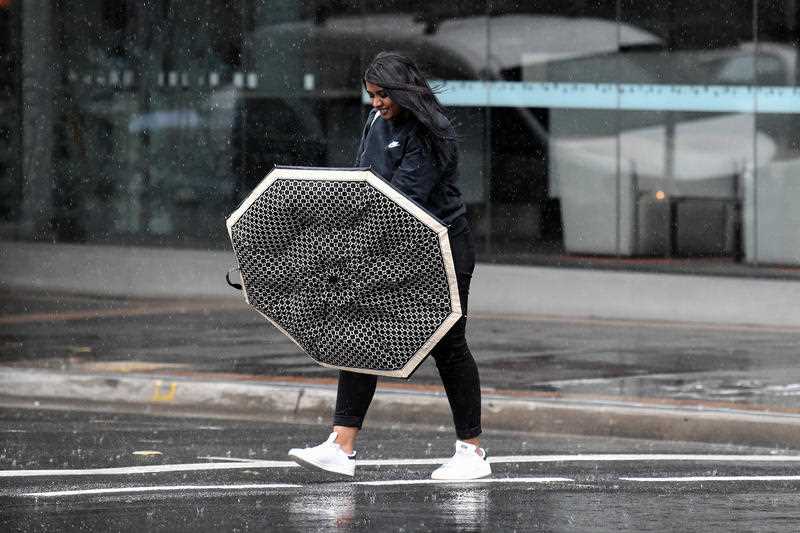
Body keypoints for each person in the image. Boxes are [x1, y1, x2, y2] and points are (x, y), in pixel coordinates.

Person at [288, 51, 489, 481]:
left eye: (382, 95)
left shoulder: (433, 130)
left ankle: (471, 452)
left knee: (448, 345)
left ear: (401, 91)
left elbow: (403, 200)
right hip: (389, 244)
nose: (376, 103)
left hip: (440, 247)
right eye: (371, 96)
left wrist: (352, 242)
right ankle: (341, 445)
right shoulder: (378, 122)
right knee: (360, 329)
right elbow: (365, 183)